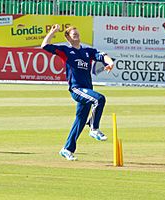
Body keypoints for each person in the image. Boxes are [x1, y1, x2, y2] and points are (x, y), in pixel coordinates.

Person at [41, 24, 114, 161]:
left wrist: (110, 63)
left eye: (78, 34)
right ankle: (94, 128)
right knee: (99, 99)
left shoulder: (87, 51)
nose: (77, 37)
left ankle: (67, 149)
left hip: (87, 90)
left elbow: (102, 56)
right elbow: (44, 46)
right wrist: (52, 32)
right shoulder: (65, 51)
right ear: (68, 38)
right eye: (74, 35)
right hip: (77, 89)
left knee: (80, 121)